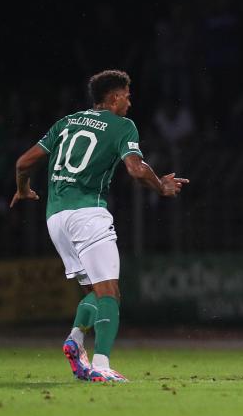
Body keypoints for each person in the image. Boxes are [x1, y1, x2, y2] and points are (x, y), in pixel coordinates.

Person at [10, 70, 189, 382]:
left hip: (56, 219)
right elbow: (135, 168)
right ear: (115, 97)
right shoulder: (122, 126)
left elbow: (23, 162)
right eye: (128, 97)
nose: (130, 104)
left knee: (93, 293)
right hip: (88, 214)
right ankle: (102, 366)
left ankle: (75, 340)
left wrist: (23, 188)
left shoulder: (66, 122)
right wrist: (160, 186)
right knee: (110, 294)